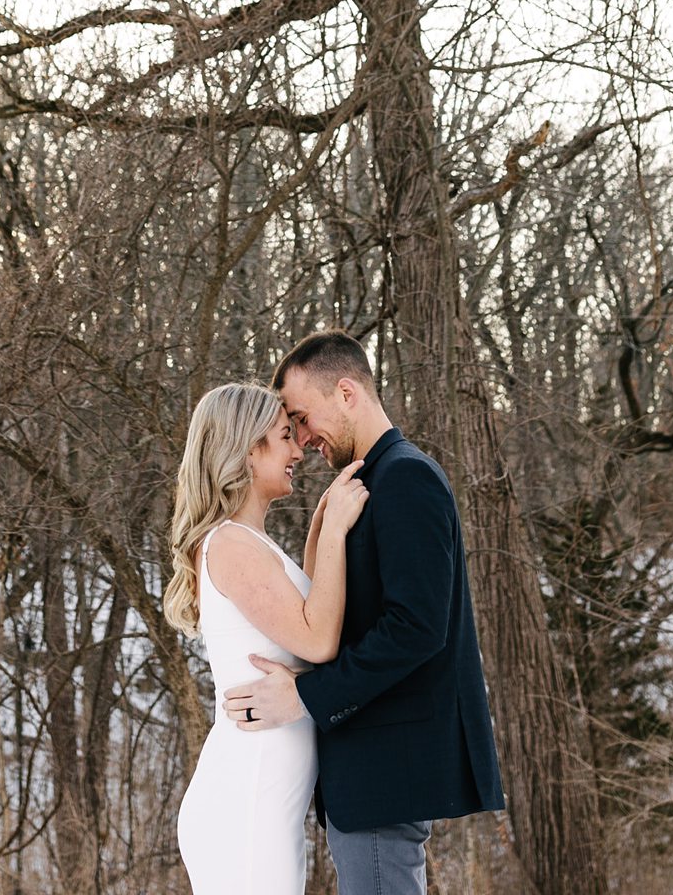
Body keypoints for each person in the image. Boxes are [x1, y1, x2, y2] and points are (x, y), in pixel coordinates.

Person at [219, 332, 505, 895]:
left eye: (302, 417)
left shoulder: (405, 478)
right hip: (367, 771)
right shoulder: (371, 482)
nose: (302, 439)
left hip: (385, 771)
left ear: (346, 392)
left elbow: (416, 628)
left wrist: (306, 695)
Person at [168, 381, 369, 894]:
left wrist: (319, 534)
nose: (299, 449)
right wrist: (334, 534)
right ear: (247, 448)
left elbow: (298, 625)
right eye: (285, 436)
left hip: (262, 797)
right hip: (246, 798)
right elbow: (319, 640)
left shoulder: (249, 541)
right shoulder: (230, 544)